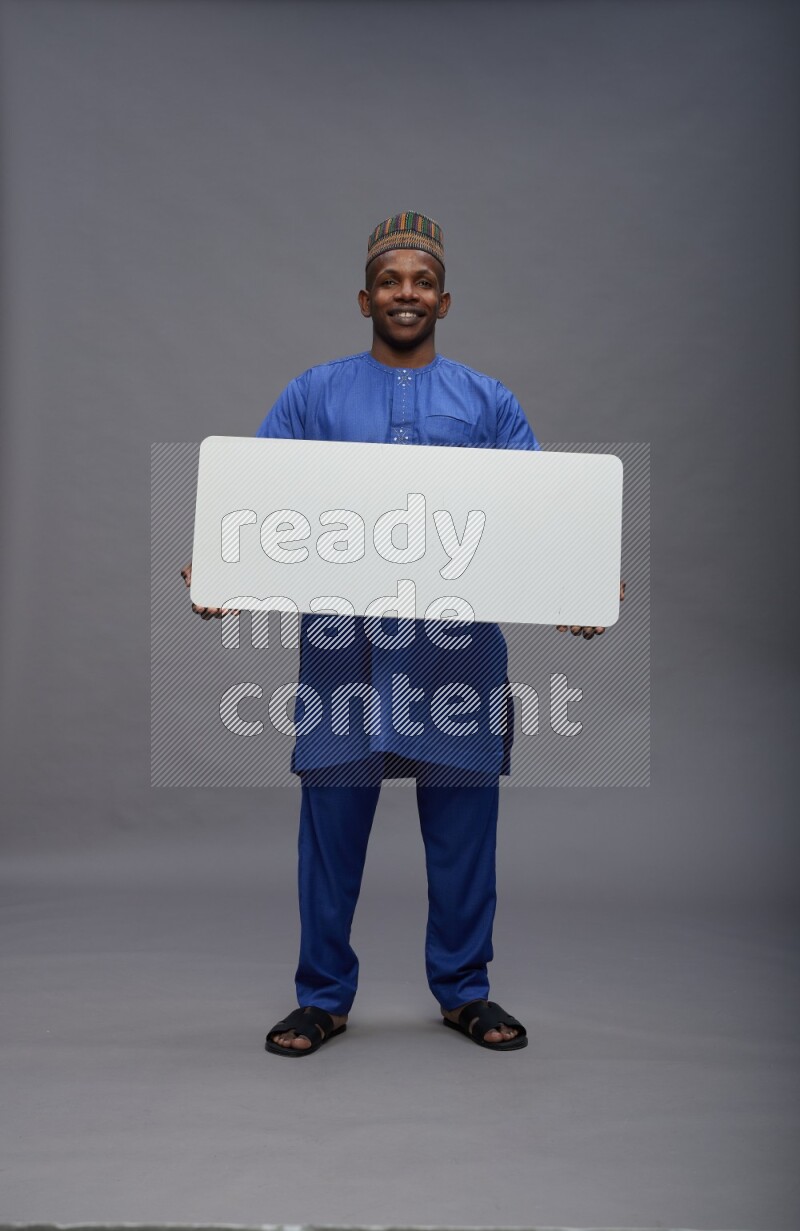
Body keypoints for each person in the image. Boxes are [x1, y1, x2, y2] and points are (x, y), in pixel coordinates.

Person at [181, 212, 624, 1056]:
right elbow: (257, 501)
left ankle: (465, 991)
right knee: (331, 831)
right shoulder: (313, 394)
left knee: (463, 836)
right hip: (344, 654)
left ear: (445, 299)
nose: (406, 293)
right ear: (365, 297)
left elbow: (545, 520)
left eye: (421, 281)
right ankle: (321, 996)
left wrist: (583, 586)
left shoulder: (489, 402)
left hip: (454, 656)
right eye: (391, 281)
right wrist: (221, 571)